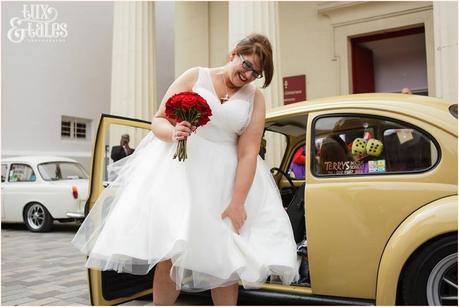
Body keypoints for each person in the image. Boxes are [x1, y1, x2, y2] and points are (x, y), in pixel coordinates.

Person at [71, 33, 299, 305]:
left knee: (225, 258)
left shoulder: (255, 99)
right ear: (233, 54)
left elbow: (249, 151)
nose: (249, 75)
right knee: (170, 253)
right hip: (181, 174)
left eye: (256, 73)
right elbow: (158, 120)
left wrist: (237, 202)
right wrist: (173, 132)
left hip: (224, 181)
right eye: (247, 65)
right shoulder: (195, 76)